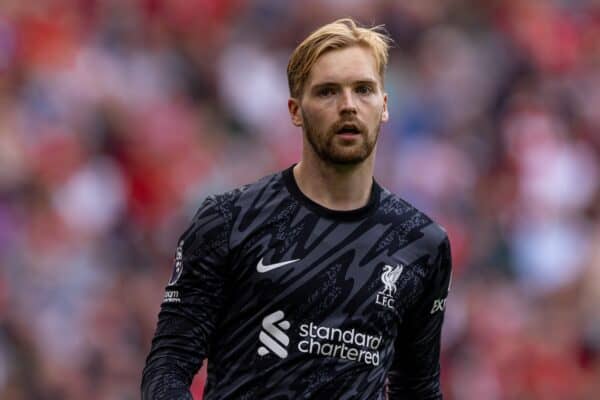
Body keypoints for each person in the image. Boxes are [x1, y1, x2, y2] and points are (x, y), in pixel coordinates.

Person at [141, 18, 452, 400]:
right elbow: (169, 365)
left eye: (364, 90)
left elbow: (417, 388)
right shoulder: (229, 220)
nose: (349, 106)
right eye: (327, 92)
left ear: (384, 106)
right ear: (295, 110)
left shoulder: (422, 243)